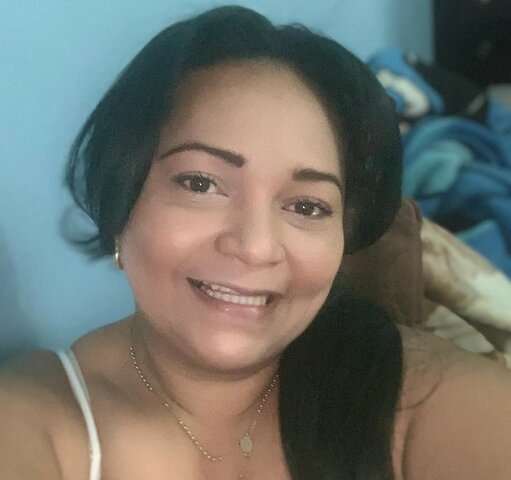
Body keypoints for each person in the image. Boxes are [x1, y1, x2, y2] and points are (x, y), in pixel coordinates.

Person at [1, 5, 511, 480]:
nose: (256, 246)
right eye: (200, 183)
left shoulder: (422, 399)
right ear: (121, 201)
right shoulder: (35, 418)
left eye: (307, 206)